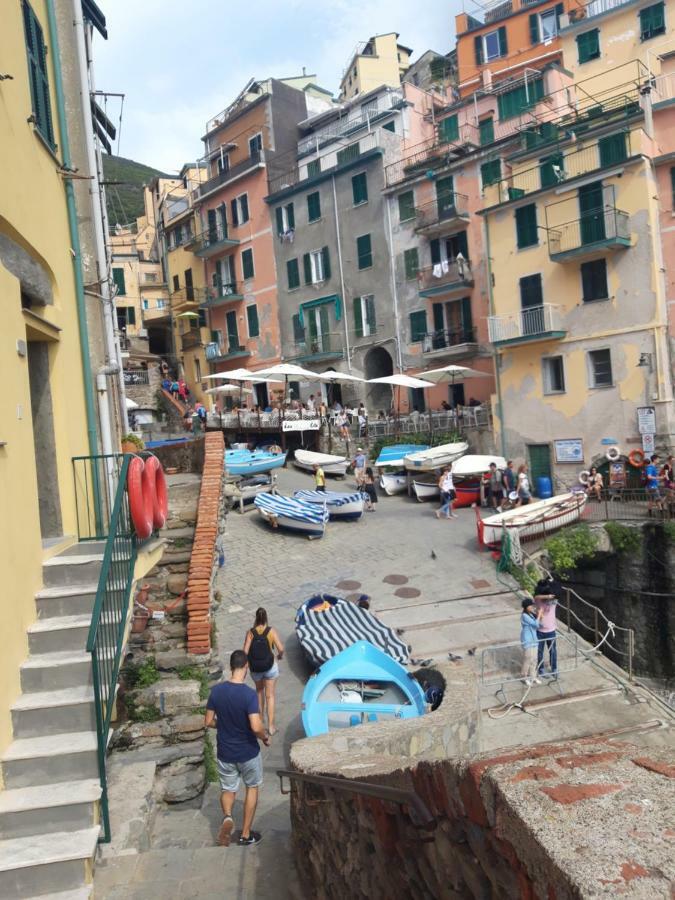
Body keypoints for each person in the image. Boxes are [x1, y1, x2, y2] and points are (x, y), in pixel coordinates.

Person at [204, 649, 270, 847]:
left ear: (231, 666)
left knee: (228, 789)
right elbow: (256, 726)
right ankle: (245, 834)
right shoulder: (249, 695)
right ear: (246, 666)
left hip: (225, 752)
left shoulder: (216, 691)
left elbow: (208, 721)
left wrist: (222, 724)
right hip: (248, 752)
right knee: (252, 787)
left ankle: (227, 817)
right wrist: (264, 737)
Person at [243, 608, 284, 737]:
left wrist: (247, 665)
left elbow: (244, 652)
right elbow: (281, 649)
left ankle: (260, 722)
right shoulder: (270, 631)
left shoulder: (250, 633)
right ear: (266, 618)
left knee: (259, 693)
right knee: (270, 696)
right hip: (269, 666)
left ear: (256, 618)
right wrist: (279, 656)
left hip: (256, 668)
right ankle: (271, 727)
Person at [534, 579, 558, 678]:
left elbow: (557, 589)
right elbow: (536, 596)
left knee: (552, 651)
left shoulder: (554, 600)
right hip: (539, 630)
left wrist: (551, 581)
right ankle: (541, 669)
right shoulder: (538, 599)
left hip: (551, 630)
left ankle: (554, 668)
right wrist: (547, 596)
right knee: (539, 651)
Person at [520, 598, 543, 686]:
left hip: (534, 639)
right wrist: (539, 614)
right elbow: (535, 624)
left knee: (534, 659)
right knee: (527, 659)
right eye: (530, 606)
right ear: (526, 607)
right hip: (527, 640)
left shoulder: (531, 615)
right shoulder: (524, 616)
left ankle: (533, 676)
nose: (532, 607)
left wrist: (540, 617)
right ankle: (524, 677)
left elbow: (539, 625)